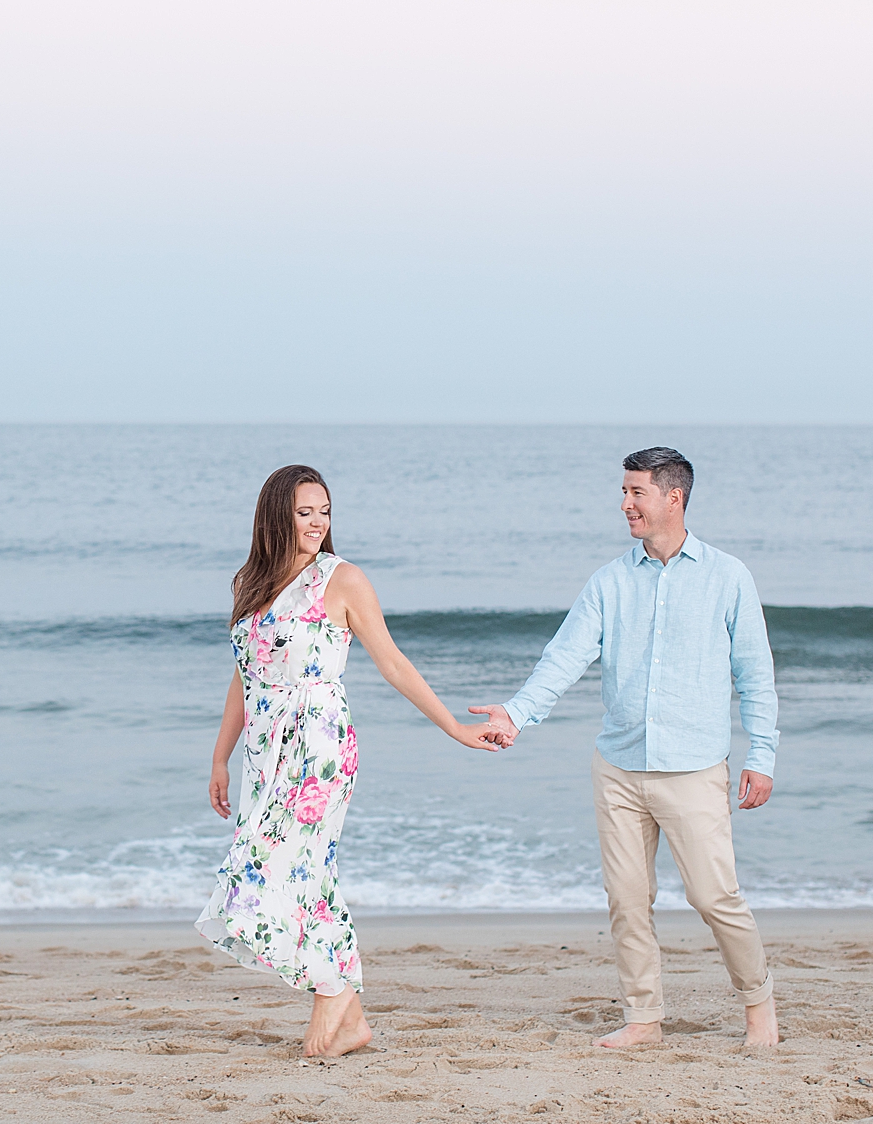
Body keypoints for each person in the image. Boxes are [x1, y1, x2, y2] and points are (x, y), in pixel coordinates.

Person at [197, 464, 515, 1058]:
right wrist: (221, 757)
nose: (318, 523)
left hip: (318, 742)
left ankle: (331, 1002)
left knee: (297, 869)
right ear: (275, 516)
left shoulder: (341, 579)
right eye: (304, 512)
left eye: (325, 512)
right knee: (289, 870)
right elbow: (244, 679)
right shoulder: (250, 582)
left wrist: (453, 729)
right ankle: (353, 1017)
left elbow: (393, 663)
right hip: (267, 749)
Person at [469, 446, 782, 1048]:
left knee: (715, 897)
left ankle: (759, 1007)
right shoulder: (610, 581)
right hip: (617, 766)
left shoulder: (727, 577)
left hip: (694, 768)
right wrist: (517, 713)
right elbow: (564, 658)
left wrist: (760, 757)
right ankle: (644, 1018)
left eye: (636, 492)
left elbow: (756, 675)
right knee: (628, 901)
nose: (625, 504)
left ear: (674, 497)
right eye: (624, 492)